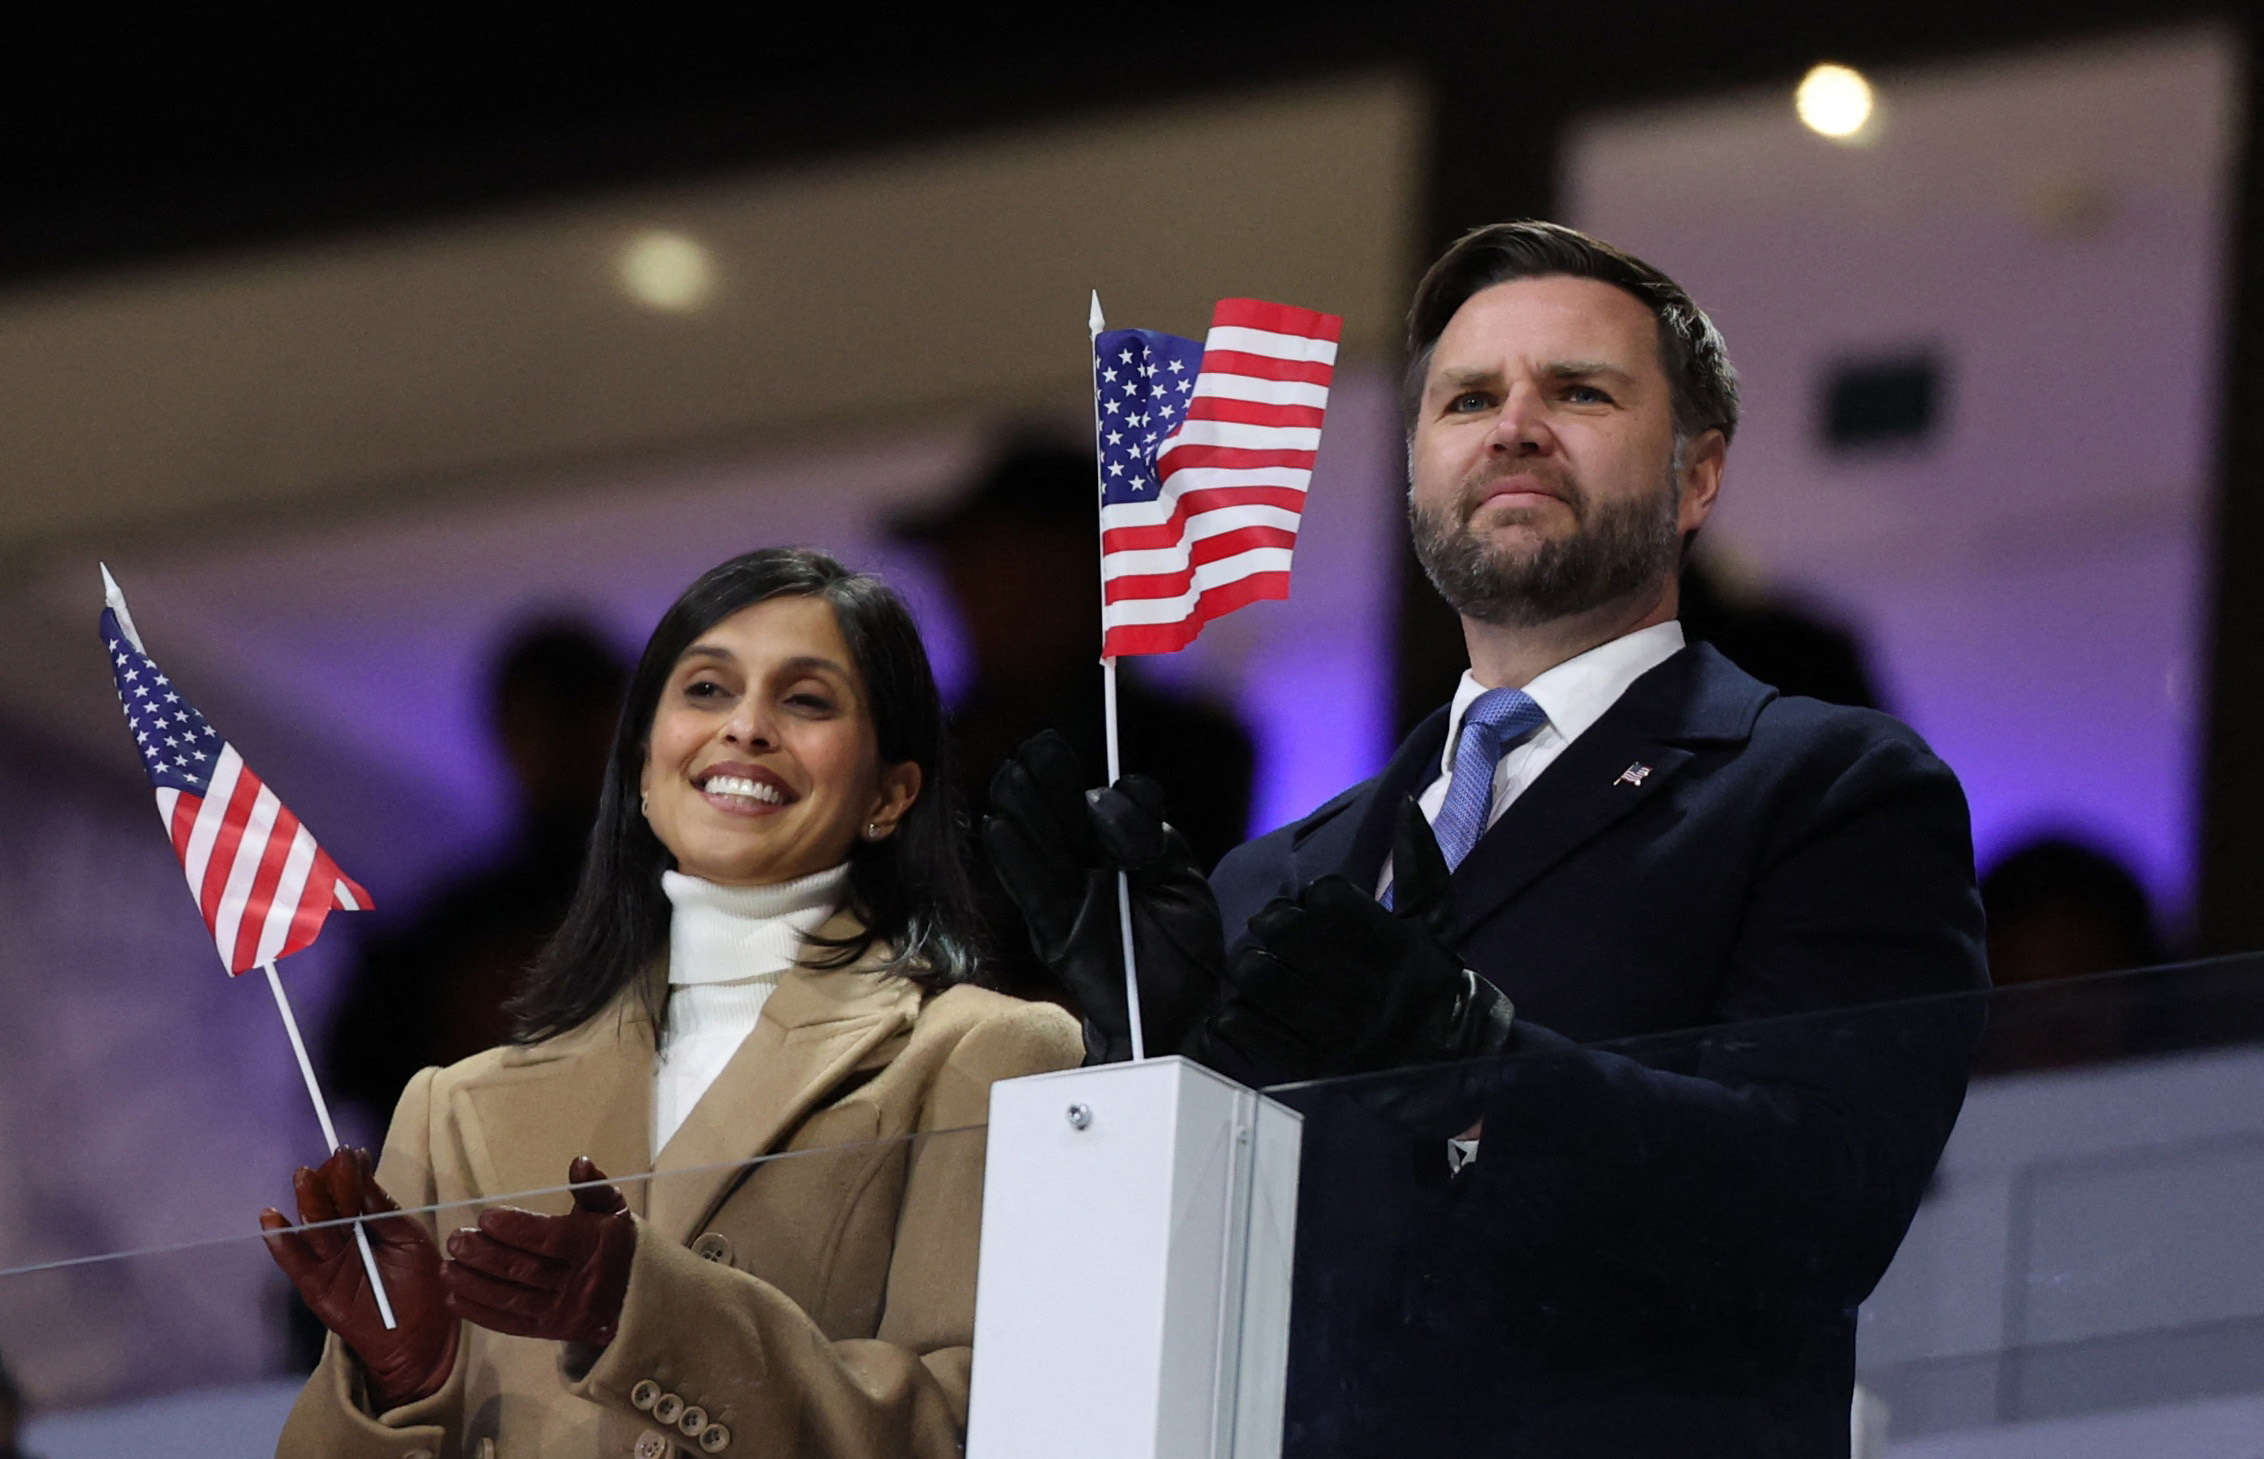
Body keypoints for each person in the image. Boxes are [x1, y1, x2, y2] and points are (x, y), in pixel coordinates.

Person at [986, 222, 1988, 1455]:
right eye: (1467, 399)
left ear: (1696, 475)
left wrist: (1474, 1065)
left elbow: (1821, 1210)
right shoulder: (1272, 875)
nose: (1513, 426)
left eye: (1577, 391)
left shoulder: (1826, 789)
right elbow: (1146, 1299)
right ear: (1416, 479)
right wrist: (1143, 1054)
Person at [263, 548, 1081, 1458]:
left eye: (807, 700)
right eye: (706, 690)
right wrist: (401, 1384)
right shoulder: (456, 1106)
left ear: (891, 794)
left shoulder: (988, 1053)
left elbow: (974, 1430)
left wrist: (648, 1316)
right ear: (645, 771)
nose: (747, 726)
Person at [892, 440, 1256, 998]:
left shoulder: (1185, 753)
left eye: (1008, 563)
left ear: (1083, 574)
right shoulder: (926, 749)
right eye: (967, 565)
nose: (968, 589)